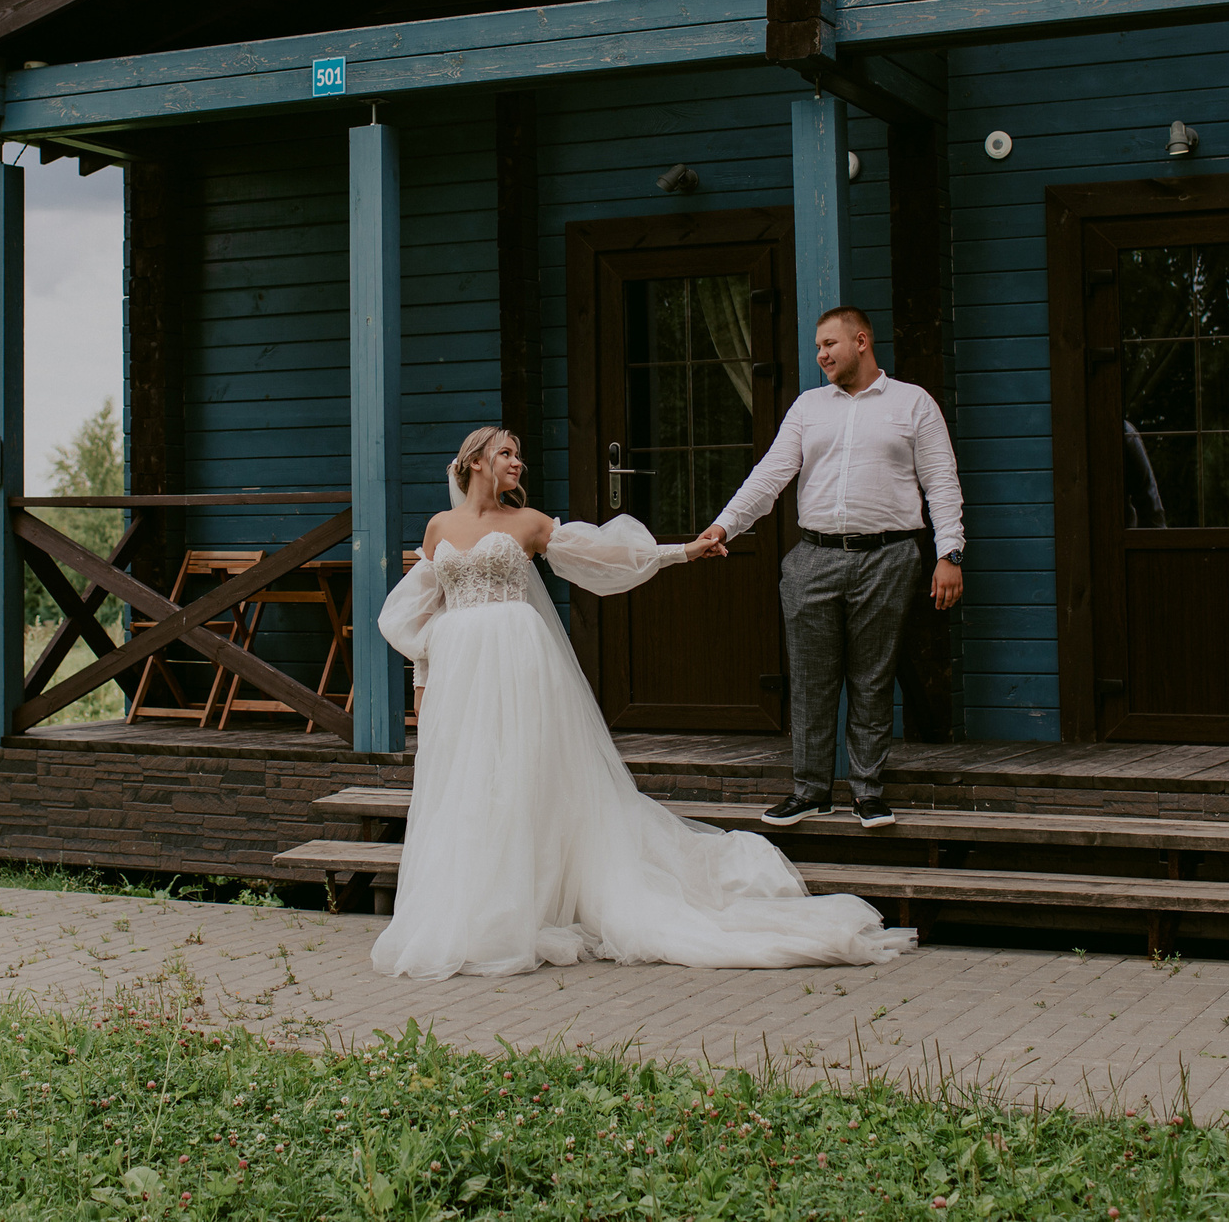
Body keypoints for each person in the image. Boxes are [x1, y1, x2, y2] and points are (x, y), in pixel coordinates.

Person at [369, 426, 914, 981]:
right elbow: (423, 614)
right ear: (474, 462)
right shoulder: (440, 527)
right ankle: (471, 910)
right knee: (470, 782)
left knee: (521, 776)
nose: (517, 463)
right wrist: (422, 692)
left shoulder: (529, 524)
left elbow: (606, 556)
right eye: (506, 453)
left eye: (518, 454)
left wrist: (682, 551)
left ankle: (523, 905)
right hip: (461, 673)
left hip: (518, 664)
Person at [695, 306, 963, 831]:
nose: (820, 355)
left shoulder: (913, 403)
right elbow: (770, 475)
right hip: (812, 558)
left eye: (829, 344)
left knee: (872, 678)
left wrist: (948, 553)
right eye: (818, 347)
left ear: (861, 341)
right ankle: (810, 791)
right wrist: (725, 526)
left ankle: (868, 792)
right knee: (810, 681)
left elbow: (941, 480)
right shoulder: (808, 407)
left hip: (888, 556)